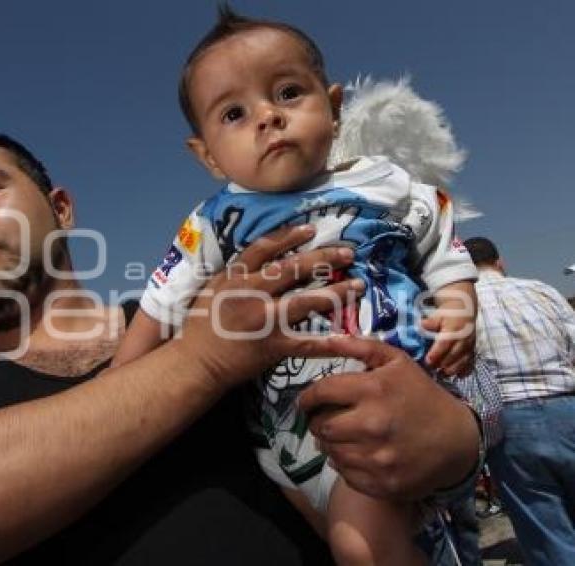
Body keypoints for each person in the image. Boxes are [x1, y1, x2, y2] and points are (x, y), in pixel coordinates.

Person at [0, 121, 485, 565]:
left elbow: (399, 426)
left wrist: (452, 445)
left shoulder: (226, 306)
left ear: (61, 208)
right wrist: (199, 361)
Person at [113, 8, 477, 566]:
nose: (267, 118)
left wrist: (457, 304)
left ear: (333, 108)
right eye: (234, 113)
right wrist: (119, 389)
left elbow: (439, 233)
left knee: (362, 545)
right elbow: (161, 304)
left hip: (391, 394)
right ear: (207, 155)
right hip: (288, 430)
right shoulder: (215, 220)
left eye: (287, 93)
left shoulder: (383, 180)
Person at [464, 236, 575, 565]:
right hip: (567, 405)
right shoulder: (542, 290)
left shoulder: (457, 306)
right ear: (500, 262)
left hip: (507, 425)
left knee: (548, 535)